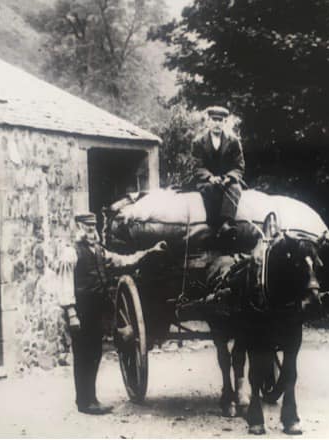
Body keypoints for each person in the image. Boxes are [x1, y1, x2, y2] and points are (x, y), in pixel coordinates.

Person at [57, 212, 167, 415]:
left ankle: (91, 398)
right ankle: (84, 401)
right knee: (83, 355)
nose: (91, 231)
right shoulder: (70, 253)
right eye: (87, 227)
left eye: (93, 227)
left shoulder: (100, 251)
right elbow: (64, 285)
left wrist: (150, 251)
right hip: (80, 311)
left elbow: (124, 261)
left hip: (95, 310)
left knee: (95, 353)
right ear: (78, 229)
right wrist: (71, 313)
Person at [191, 106, 246, 243]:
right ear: (208, 121)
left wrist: (229, 177)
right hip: (206, 180)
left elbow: (239, 165)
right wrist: (209, 177)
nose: (217, 123)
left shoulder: (233, 142)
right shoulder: (198, 142)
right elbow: (196, 166)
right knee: (209, 189)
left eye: (220, 120)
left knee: (235, 189)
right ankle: (213, 225)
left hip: (227, 179)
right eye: (214, 120)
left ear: (224, 122)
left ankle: (227, 224)